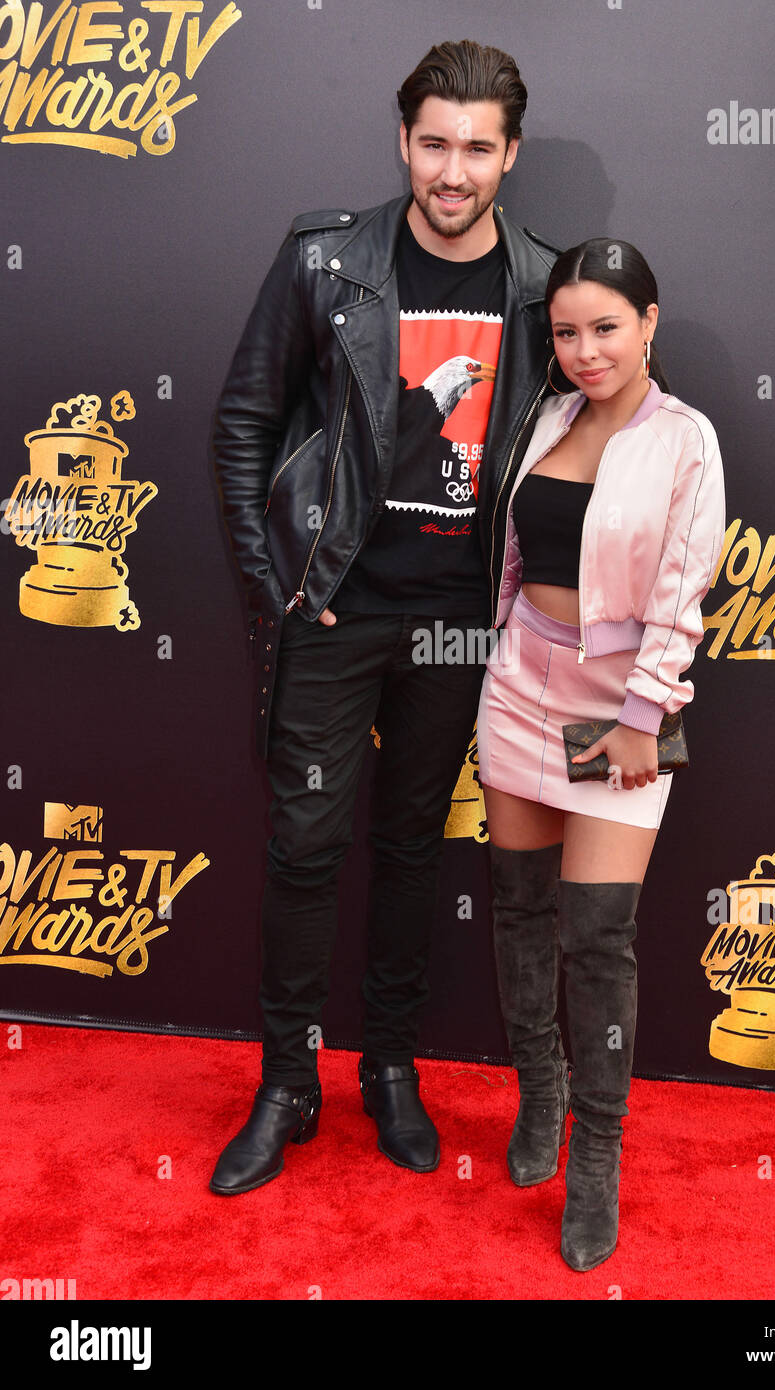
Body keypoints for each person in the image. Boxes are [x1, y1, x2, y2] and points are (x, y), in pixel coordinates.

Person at [208, 40, 559, 1195]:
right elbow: (243, 420)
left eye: (476, 148)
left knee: (412, 849)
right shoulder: (328, 261)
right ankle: (285, 1083)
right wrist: (281, 590)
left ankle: (392, 1072)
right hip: (336, 611)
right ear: (403, 141)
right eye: (432, 144)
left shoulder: (541, 288)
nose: (450, 172)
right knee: (304, 850)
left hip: (458, 625)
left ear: (509, 153)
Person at [477, 238, 726, 1270]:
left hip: (619, 711)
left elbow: (680, 596)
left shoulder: (686, 439)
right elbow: (514, 557)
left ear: (650, 323)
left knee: (597, 938)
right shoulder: (546, 413)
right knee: (520, 910)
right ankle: (538, 1092)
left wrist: (640, 716)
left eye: (606, 329)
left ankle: (596, 1155)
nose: (584, 351)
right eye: (566, 332)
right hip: (519, 691)